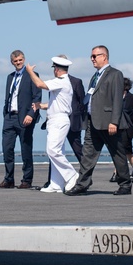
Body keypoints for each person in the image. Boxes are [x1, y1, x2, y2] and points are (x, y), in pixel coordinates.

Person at [64, 45, 133, 196]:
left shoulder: (115, 74)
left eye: (95, 56)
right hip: (92, 122)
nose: (92, 59)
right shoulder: (95, 76)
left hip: (108, 123)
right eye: (91, 56)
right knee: (87, 155)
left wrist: (114, 121)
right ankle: (82, 184)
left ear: (104, 56)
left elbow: (117, 100)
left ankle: (125, 185)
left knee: (118, 154)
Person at [26, 56, 79, 193]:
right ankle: (56, 184)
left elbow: (40, 85)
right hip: (56, 119)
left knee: (52, 150)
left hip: (59, 120)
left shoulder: (61, 81)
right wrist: (41, 106)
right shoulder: (64, 83)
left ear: (56, 69)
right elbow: (56, 103)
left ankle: (71, 175)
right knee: (57, 151)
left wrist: (30, 72)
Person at [0, 50, 42, 189]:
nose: (18, 63)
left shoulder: (32, 75)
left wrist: (31, 114)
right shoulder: (10, 77)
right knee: (7, 148)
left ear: (24, 59)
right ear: (12, 62)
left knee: (25, 149)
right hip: (10, 117)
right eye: (16, 61)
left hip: (25, 117)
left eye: (20, 60)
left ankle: (27, 180)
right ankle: (8, 179)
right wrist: (5, 113)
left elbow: (37, 97)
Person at [113, 78, 133, 182]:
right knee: (117, 151)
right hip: (117, 127)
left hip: (127, 128)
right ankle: (117, 172)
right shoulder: (115, 97)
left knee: (127, 151)